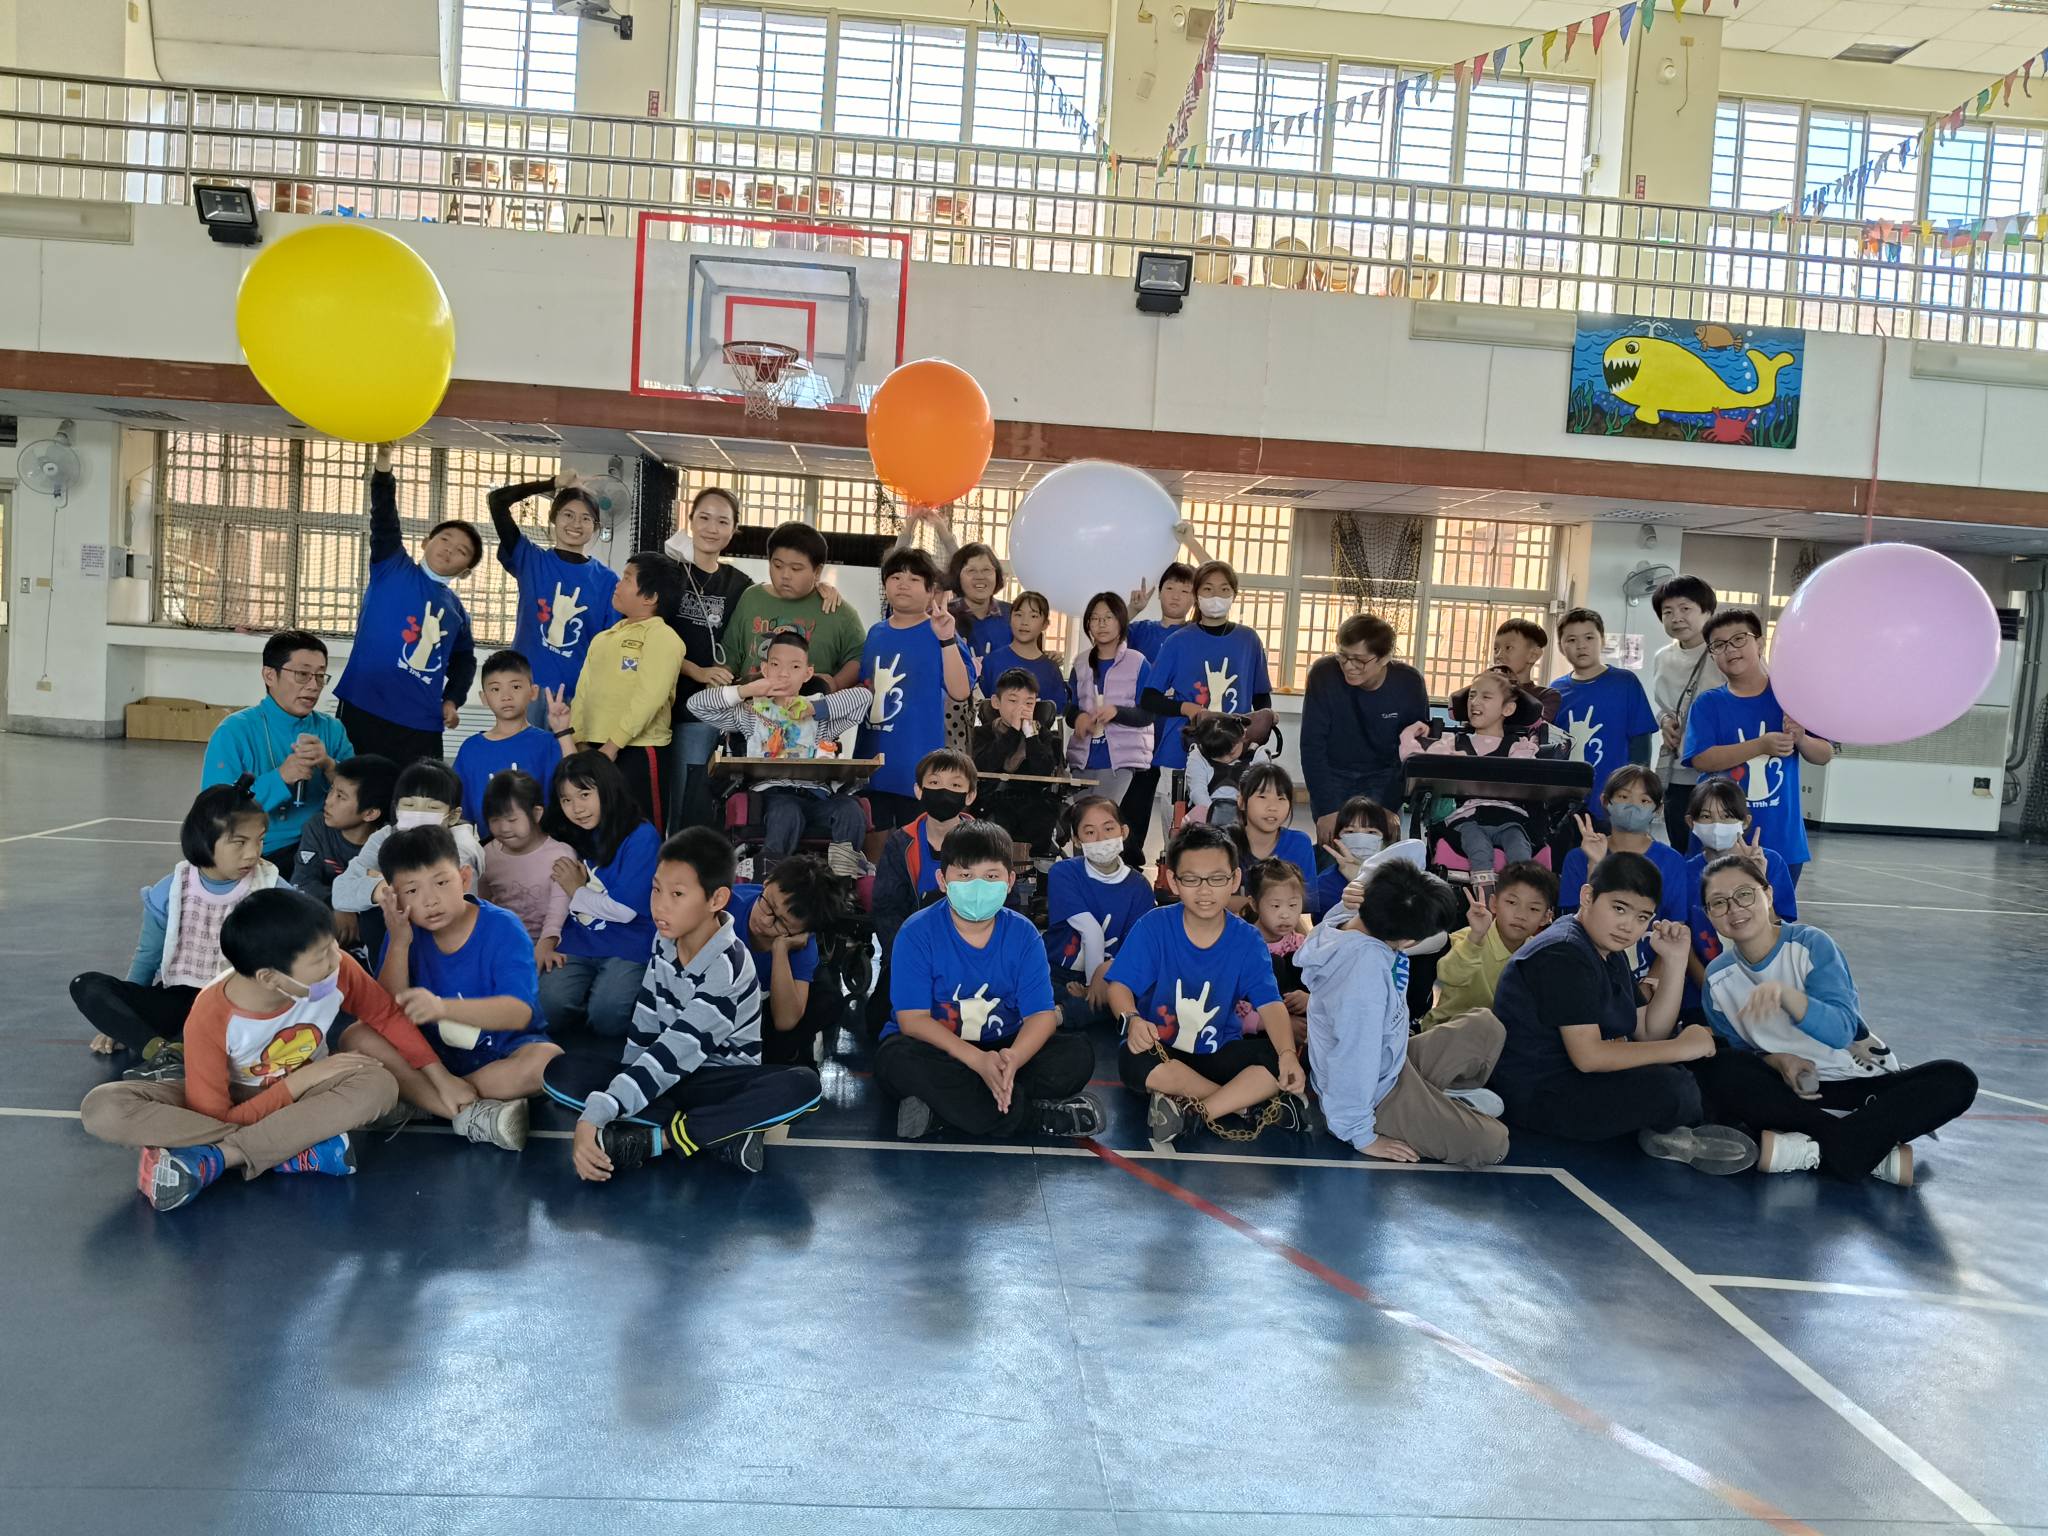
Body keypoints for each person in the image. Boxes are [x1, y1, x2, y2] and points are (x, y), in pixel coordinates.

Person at [78, 889, 426, 1212]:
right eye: (322, 956)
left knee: (379, 1085)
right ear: (270, 978)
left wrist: (436, 1075)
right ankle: (290, 1150)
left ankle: (213, 1159)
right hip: (236, 1096)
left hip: (309, 1096)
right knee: (102, 1107)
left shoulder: (336, 969)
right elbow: (217, 1115)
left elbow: (386, 1015)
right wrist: (299, 1082)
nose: (337, 958)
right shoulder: (210, 1014)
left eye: (332, 946)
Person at [546, 827, 823, 1179]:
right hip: (671, 1076)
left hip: (717, 1083)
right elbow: (645, 1027)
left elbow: (677, 1050)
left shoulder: (729, 966)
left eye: (677, 894)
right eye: (656, 889)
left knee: (804, 1085)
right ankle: (723, 1134)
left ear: (717, 899)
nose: (660, 905)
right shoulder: (665, 939)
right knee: (558, 1072)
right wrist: (623, 1092)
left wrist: (596, 1116)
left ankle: (659, 1140)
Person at [1691, 855, 1976, 1184]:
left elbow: (1842, 1031)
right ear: (1709, 914)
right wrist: (1778, 1061)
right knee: (1719, 1067)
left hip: (1860, 1087)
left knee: (1957, 1079)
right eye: (1719, 903)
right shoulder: (1718, 977)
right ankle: (1859, 1146)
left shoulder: (1812, 945)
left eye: (1744, 894)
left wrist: (1788, 997)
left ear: (1767, 894)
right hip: (1794, 1095)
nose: (1734, 908)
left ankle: (1816, 1148)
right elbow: (1741, 1053)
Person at [1488, 852, 1758, 1173]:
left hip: (1577, 1080)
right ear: (1587, 896)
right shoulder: (1562, 953)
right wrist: (1681, 1047)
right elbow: (1588, 1056)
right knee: (1674, 1088)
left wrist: (1674, 961)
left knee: (1720, 1060)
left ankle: (1688, 1126)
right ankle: (1731, 1130)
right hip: (1541, 1097)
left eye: (1642, 917)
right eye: (1619, 908)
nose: (1628, 926)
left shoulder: (1606, 950)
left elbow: (1648, 1031)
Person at [875, 819, 1102, 1140]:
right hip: (938, 1049)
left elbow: (1040, 1015)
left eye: (991, 876)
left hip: (1003, 1046)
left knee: (1076, 1056)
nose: (978, 886)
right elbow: (912, 1021)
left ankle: (946, 1112)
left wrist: (1013, 1059)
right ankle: (1035, 1117)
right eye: (965, 876)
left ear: (1010, 881)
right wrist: (976, 1060)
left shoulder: (1024, 934)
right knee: (897, 1061)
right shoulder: (916, 932)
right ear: (943, 880)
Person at [1299, 858, 1509, 1167]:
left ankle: (1436, 1101)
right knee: (1494, 1143)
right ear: (1409, 941)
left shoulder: (1344, 921)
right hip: (1372, 1096)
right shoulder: (1362, 979)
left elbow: (1407, 854)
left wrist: (1353, 892)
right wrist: (1362, 1135)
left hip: (1392, 1061)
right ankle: (1428, 1108)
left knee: (1486, 1027)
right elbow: (1353, 1059)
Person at [1107, 823, 1310, 1144]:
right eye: (1192, 879)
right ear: (1173, 880)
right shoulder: (1154, 926)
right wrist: (1132, 1020)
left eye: (1217, 879)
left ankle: (1195, 1113)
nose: (1205, 890)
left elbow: (1270, 1004)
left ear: (1235, 879)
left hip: (1220, 1053)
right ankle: (1243, 1105)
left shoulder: (1247, 939)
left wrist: (1287, 1054)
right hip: (1164, 1049)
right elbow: (1119, 986)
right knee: (1133, 1060)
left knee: (1274, 1057)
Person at [367, 824, 557, 1151]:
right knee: (356, 1036)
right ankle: (466, 1109)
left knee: (546, 1062)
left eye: (441, 883)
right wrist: (398, 943)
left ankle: (422, 1100)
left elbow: (518, 1012)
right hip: (430, 1061)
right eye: (411, 891)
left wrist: (442, 1008)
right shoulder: (403, 932)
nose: (430, 900)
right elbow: (386, 1013)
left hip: (498, 1057)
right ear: (394, 898)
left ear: (465, 878)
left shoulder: (503, 927)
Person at [72, 777, 280, 1066]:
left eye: (260, 840)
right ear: (205, 840)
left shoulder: (272, 888)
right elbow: (147, 957)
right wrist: (122, 1019)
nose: (253, 853)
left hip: (237, 1005)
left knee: (215, 1027)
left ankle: (187, 1048)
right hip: (178, 999)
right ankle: (161, 1052)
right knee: (86, 985)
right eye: (240, 842)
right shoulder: (171, 889)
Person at [332, 442, 480, 769]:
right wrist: (383, 464)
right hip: (364, 705)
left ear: (466, 571)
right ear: (426, 542)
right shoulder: (392, 565)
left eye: (461, 551)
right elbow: (384, 517)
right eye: (445, 539)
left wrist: (453, 699)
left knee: (417, 796)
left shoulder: (457, 612)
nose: (449, 549)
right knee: (355, 789)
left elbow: (464, 661)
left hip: (420, 722)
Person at [686, 628, 873, 877]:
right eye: (775, 665)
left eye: (795, 667)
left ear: (808, 673)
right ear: (765, 669)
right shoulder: (751, 713)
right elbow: (696, 705)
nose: (784, 673)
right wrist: (745, 691)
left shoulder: (821, 718)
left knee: (850, 810)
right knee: (787, 811)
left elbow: (863, 698)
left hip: (817, 796)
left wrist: (814, 708)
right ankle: (772, 880)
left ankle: (842, 881)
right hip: (772, 796)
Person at [1681, 607, 1834, 884]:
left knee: (1773, 909)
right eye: (1719, 645)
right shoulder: (1708, 703)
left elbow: (1824, 754)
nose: (1730, 649)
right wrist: (1761, 745)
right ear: (1712, 655)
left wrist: (1801, 738)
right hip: (1717, 840)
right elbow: (1702, 759)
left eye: (1739, 639)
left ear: (1760, 643)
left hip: (1781, 838)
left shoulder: (1789, 697)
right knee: (1709, 908)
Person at [554, 550, 687, 830]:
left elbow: (650, 697)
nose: (618, 584)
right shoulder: (604, 638)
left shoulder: (663, 636)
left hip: (637, 750)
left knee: (639, 830)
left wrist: (614, 745)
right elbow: (583, 693)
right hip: (593, 749)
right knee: (598, 829)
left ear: (650, 597)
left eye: (627, 579)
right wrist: (579, 742)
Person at [200, 629, 357, 864]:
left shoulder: (332, 729)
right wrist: (280, 777)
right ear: (269, 675)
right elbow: (215, 812)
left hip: (323, 846)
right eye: (302, 674)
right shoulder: (234, 731)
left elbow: (360, 796)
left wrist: (328, 766)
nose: (314, 686)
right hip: (261, 851)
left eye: (320, 676)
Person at [538, 751, 664, 1037]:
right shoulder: (569, 833)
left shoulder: (641, 835)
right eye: (566, 800)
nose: (576, 808)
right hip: (580, 939)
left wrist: (576, 889)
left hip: (630, 943)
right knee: (548, 1006)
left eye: (584, 795)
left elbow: (625, 910)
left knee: (607, 1016)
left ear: (607, 789)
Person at [485, 465, 620, 719]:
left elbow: (609, 648)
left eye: (586, 518)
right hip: (526, 692)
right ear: (554, 518)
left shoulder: (607, 581)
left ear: (595, 527)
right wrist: (553, 482)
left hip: (577, 698)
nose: (576, 524)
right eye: (568, 515)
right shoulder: (531, 560)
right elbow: (497, 501)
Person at [1142, 562, 1275, 813]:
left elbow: (1261, 696)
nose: (1216, 596)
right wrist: (1187, 708)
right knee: (1181, 829)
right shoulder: (1177, 641)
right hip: (1181, 753)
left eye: (1224, 589)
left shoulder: (1249, 640)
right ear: (1196, 595)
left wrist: (1255, 732)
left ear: (1234, 594)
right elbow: (1149, 697)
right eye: (1208, 589)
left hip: (1235, 754)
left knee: (1231, 826)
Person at [858, 547, 975, 830]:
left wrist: (947, 639)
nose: (903, 584)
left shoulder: (940, 630)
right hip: (871, 761)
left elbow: (961, 691)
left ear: (930, 589)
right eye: (895, 577)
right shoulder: (875, 632)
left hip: (919, 766)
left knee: (916, 843)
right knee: (872, 843)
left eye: (913, 579)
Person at [1400, 671, 1557, 879]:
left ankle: (1520, 891)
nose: (1474, 702)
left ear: (1508, 708)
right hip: (1466, 818)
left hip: (1510, 818)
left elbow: (1527, 776)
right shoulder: (1452, 744)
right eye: (1472, 695)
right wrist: (1410, 733)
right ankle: (1485, 893)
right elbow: (1415, 762)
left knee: (1520, 850)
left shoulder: (1519, 748)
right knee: (1479, 848)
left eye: (1486, 696)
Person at [664, 485, 758, 832]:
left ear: (734, 529)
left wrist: (823, 586)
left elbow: (758, 627)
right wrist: (697, 671)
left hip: (701, 712)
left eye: (722, 521)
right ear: (690, 520)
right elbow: (649, 637)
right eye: (704, 518)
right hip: (654, 704)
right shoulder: (666, 572)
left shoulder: (740, 584)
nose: (712, 528)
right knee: (654, 798)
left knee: (688, 800)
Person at [1299, 614, 1432, 841]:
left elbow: (1411, 752)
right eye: (1343, 656)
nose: (1348, 666)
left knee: (1378, 846)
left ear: (1384, 658)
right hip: (1333, 772)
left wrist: (1390, 805)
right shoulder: (1324, 675)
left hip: (1385, 774)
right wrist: (1326, 808)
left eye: (1359, 660)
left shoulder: (1408, 683)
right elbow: (1312, 745)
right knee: (1333, 847)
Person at [1679, 778, 1799, 1017]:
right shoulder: (1684, 872)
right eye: (1706, 817)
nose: (1717, 825)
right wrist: (1710, 987)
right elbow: (1684, 942)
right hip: (1702, 991)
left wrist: (1757, 879)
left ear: (1745, 822)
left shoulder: (1771, 863)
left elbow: (1778, 932)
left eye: (1727, 816)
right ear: (1692, 823)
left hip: (1763, 988)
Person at [1556, 766, 1691, 974]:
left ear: (1658, 809)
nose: (1632, 806)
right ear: (1605, 801)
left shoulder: (1672, 861)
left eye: (1644, 800)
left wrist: (1651, 982)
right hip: (1584, 970)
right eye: (1623, 796)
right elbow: (1574, 925)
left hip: (1647, 975)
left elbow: (1674, 930)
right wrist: (1595, 863)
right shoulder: (1578, 858)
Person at [1045, 796, 1157, 1030]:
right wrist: (1090, 983)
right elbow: (1090, 931)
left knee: (1120, 997)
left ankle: (1058, 1016)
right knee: (1031, 985)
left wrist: (1099, 980)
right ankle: (1061, 1010)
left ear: (1123, 831)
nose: (1101, 839)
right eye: (1089, 832)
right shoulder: (1064, 872)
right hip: (1057, 971)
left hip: (1110, 974)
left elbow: (1135, 950)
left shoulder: (1139, 887)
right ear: (1077, 839)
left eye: (1108, 829)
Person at [725, 855, 844, 1059]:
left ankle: (787, 1056)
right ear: (767, 882)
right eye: (768, 904)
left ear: (802, 932)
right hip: (724, 999)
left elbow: (785, 1020)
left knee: (828, 1001)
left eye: (781, 923)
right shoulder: (725, 906)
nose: (764, 920)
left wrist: (780, 949)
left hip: (766, 1006)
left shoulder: (802, 944)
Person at [1122, 558, 1200, 869]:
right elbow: (1107, 635)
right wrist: (1132, 610)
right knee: (1135, 798)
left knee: (1178, 802)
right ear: (1159, 593)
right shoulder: (1142, 630)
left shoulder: (1196, 635)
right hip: (1139, 729)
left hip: (1177, 731)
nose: (1176, 596)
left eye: (1185, 590)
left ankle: (1177, 861)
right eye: (1170, 588)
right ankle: (1129, 857)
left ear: (1194, 598)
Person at [332, 759, 486, 915]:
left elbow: (448, 908)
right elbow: (341, 891)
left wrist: (382, 879)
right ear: (396, 808)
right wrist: (384, 887)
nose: (419, 813)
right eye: (409, 805)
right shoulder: (385, 836)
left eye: (432, 807)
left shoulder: (462, 848)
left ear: (453, 816)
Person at [722, 520, 865, 687]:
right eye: (777, 566)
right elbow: (729, 655)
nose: (785, 575)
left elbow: (860, 657)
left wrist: (835, 684)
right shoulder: (751, 598)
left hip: (811, 702)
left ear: (817, 571)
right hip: (753, 700)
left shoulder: (835, 609)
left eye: (796, 569)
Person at [1417, 861, 1557, 1032]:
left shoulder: (1537, 955)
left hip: (1500, 1038)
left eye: (1533, 909)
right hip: (1446, 1032)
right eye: (1512, 902)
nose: (1521, 915)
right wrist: (1474, 939)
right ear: (1494, 903)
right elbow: (1448, 976)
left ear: (1546, 917)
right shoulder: (1469, 937)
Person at [872, 749, 982, 965]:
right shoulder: (901, 843)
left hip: (971, 957)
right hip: (911, 953)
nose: (944, 791)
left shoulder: (985, 843)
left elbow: (1003, 904)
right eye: (934, 783)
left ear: (970, 795)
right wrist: (907, 956)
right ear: (919, 790)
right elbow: (887, 909)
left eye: (955, 785)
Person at [290, 753, 396, 961]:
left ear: (370, 813)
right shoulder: (317, 827)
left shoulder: (388, 841)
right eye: (331, 790)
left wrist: (351, 905)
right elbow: (302, 882)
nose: (328, 801)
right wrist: (337, 905)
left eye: (341, 796)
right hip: (325, 916)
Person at [1551, 607, 1657, 801]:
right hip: (1567, 797)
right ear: (1560, 646)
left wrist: (1637, 788)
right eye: (1571, 640)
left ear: (1603, 640)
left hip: (1616, 795)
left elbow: (1641, 740)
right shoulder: (1556, 690)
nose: (1581, 646)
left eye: (1589, 638)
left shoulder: (1625, 682)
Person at [1066, 590, 1154, 817]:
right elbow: (1070, 708)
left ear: (1121, 622)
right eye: (1095, 618)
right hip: (1082, 759)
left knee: (1100, 818)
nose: (1101, 624)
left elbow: (1147, 714)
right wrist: (1078, 717)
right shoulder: (1081, 663)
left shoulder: (1137, 662)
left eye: (1108, 617)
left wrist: (1116, 712)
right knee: (1081, 822)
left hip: (1120, 761)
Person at [1650, 575, 1723, 848]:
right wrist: (1664, 720)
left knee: (1716, 847)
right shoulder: (1662, 657)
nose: (1676, 618)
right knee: (1680, 843)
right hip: (1677, 768)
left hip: (1719, 768)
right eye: (1667, 612)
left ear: (1707, 611)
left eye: (1685, 609)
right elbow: (1664, 705)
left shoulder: (1723, 654)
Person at [453, 649, 561, 830]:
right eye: (495, 689)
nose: (506, 696)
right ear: (484, 698)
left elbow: (563, 800)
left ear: (533, 692)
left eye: (516, 687)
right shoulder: (471, 749)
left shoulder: (548, 744)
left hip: (541, 844)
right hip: (488, 845)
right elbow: (461, 815)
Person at [476, 769, 573, 963]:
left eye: (512, 820)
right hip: (503, 944)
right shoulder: (486, 854)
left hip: (552, 943)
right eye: (495, 820)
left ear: (536, 814)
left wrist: (545, 946)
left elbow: (558, 911)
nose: (504, 828)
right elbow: (482, 904)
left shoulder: (560, 854)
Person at [975, 667, 1065, 858]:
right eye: (1013, 701)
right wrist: (1013, 732)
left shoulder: (1042, 735)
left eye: (1028, 702)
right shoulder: (983, 733)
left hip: (1033, 805)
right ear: (996, 702)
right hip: (993, 802)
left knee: (1042, 818)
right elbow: (984, 765)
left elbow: (1044, 770)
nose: (1020, 708)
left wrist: (1030, 735)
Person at [1241, 859, 1311, 1050]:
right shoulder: (1241, 945)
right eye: (1275, 906)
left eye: (1293, 905)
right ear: (1254, 904)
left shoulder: (1303, 945)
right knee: (1275, 963)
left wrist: (1309, 1000)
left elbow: (1327, 990)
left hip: (1302, 1032)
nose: (1285, 914)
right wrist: (1281, 1024)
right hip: (1258, 1034)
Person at [1231, 763, 1319, 915]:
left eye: (1281, 798)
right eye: (1262, 797)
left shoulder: (1299, 844)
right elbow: (1210, 899)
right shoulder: (1224, 843)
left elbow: (1306, 908)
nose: (1273, 807)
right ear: (1242, 801)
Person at [978, 591, 1067, 713]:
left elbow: (1055, 714)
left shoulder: (1051, 669)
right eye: (1018, 615)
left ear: (1045, 624)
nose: (1024, 622)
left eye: (1033, 616)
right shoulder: (991, 662)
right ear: (1010, 619)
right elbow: (982, 708)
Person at [1313, 795, 1402, 916]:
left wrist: (1361, 878)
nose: (1361, 839)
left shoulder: (1399, 878)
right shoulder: (1324, 885)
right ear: (1337, 839)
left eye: (1371, 832)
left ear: (1385, 841)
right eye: (1350, 831)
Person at [944, 542, 1012, 677]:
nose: (980, 577)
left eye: (987, 570)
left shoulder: (1013, 614)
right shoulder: (943, 617)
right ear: (957, 576)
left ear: (997, 575)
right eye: (971, 571)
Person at [1490, 618, 1560, 723]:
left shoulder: (1547, 696)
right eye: (1496, 649)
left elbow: (1536, 726)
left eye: (1508, 648)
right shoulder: (1484, 689)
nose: (1498, 655)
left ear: (1533, 655)